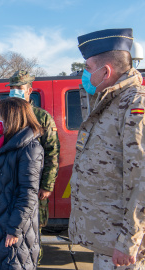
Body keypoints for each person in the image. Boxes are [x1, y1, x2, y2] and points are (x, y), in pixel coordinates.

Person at [69, 28, 145, 269]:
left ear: (106, 71)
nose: (85, 75)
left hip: (122, 248)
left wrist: (128, 242)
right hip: (107, 240)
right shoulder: (109, 101)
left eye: (89, 68)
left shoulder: (135, 105)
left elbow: (141, 180)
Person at [0, 70, 60, 264]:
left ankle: (31, 263)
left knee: (32, 230)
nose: (14, 92)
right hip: (8, 183)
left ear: (29, 90)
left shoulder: (41, 117)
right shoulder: (4, 113)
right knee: (6, 229)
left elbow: (52, 153)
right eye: (12, 88)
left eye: (19, 88)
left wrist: (46, 184)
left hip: (32, 183)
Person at [0, 97, 44, 269]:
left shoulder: (30, 149)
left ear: (11, 118)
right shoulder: (5, 144)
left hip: (12, 226)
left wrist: (14, 228)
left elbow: (27, 193)